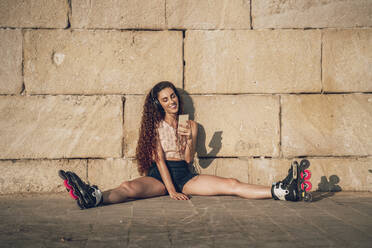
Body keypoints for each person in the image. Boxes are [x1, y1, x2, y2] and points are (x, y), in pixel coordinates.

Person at [58, 81, 305, 209]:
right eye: (165, 99)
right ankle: (94, 196)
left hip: (185, 174)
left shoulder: (192, 124)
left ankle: (281, 191)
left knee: (231, 185)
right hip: (159, 176)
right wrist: (171, 191)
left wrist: (189, 140)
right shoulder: (154, 127)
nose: (171, 101)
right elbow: (160, 161)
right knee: (128, 187)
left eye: (173, 96)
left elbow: (188, 160)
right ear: (159, 105)